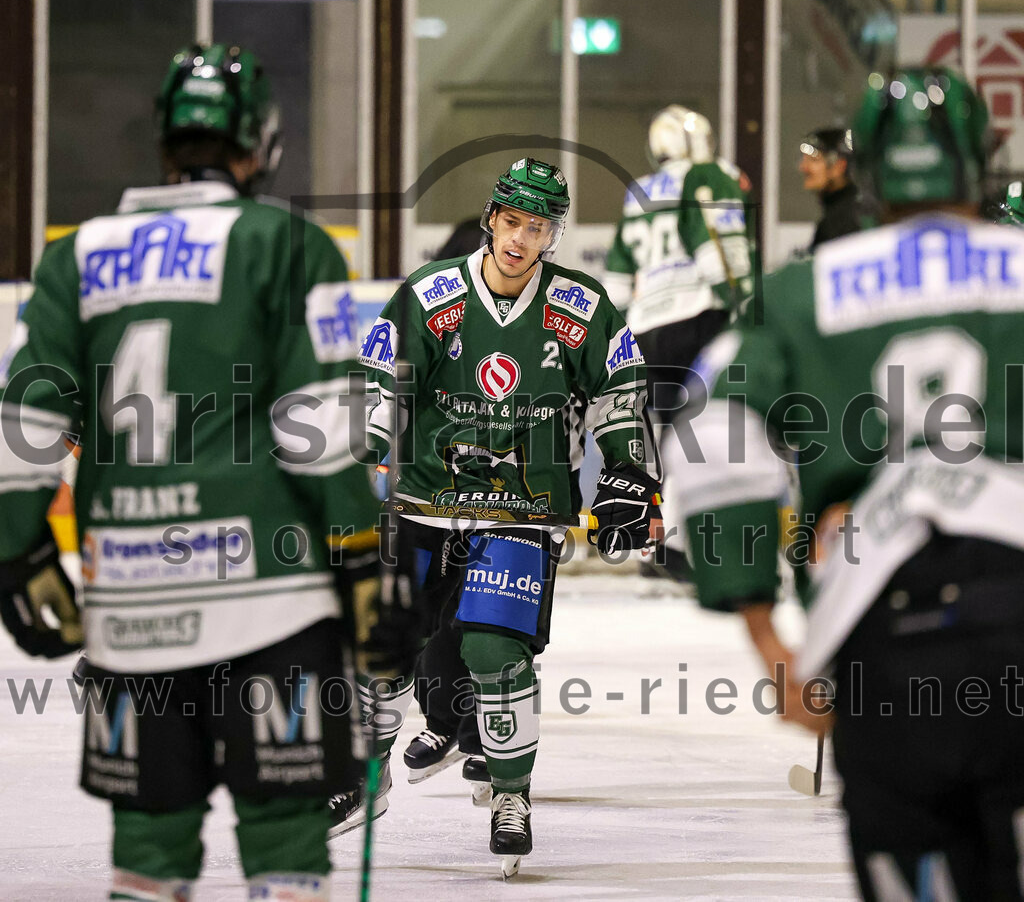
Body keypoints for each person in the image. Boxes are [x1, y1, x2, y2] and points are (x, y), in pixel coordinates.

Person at [0, 43, 385, 902]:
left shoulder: (75, 256)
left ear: (164, 140)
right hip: (275, 601)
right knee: (286, 831)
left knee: (147, 844)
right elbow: (323, 428)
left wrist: (16, 553)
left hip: (131, 605)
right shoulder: (287, 245)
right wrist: (363, 557)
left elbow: (23, 425)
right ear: (262, 146)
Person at [668, 67, 1024, 900]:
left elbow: (713, 431)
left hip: (882, 632)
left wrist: (766, 636)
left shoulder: (801, 292)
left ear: (866, 171)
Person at [357, 157, 662, 872]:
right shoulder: (431, 295)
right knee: (385, 646)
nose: (522, 239)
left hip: (522, 508)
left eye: (539, 228)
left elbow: (619, 387)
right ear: (492, 219)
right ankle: (364, 774)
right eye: (513, 222)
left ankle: (510, 795)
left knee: (496, 654)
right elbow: (379, 382)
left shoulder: (579, 306)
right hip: (425, 501)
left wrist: (629, 471)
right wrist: (358, 454)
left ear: (554, 235)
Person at [602, 105, 754, 580]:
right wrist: (746, 304)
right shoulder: (710, 175)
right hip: (698, 314)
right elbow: (719, 252)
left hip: (647, 326)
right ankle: (693, 543)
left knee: (666, 438)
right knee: (711, 435)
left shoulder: (638, 191)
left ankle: (661, 543)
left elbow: (617, 277)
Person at [799, 125, 870, 249]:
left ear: (839, 166)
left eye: (814, 160)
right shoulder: (845, 213)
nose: (803, 167)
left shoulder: (844, 222)